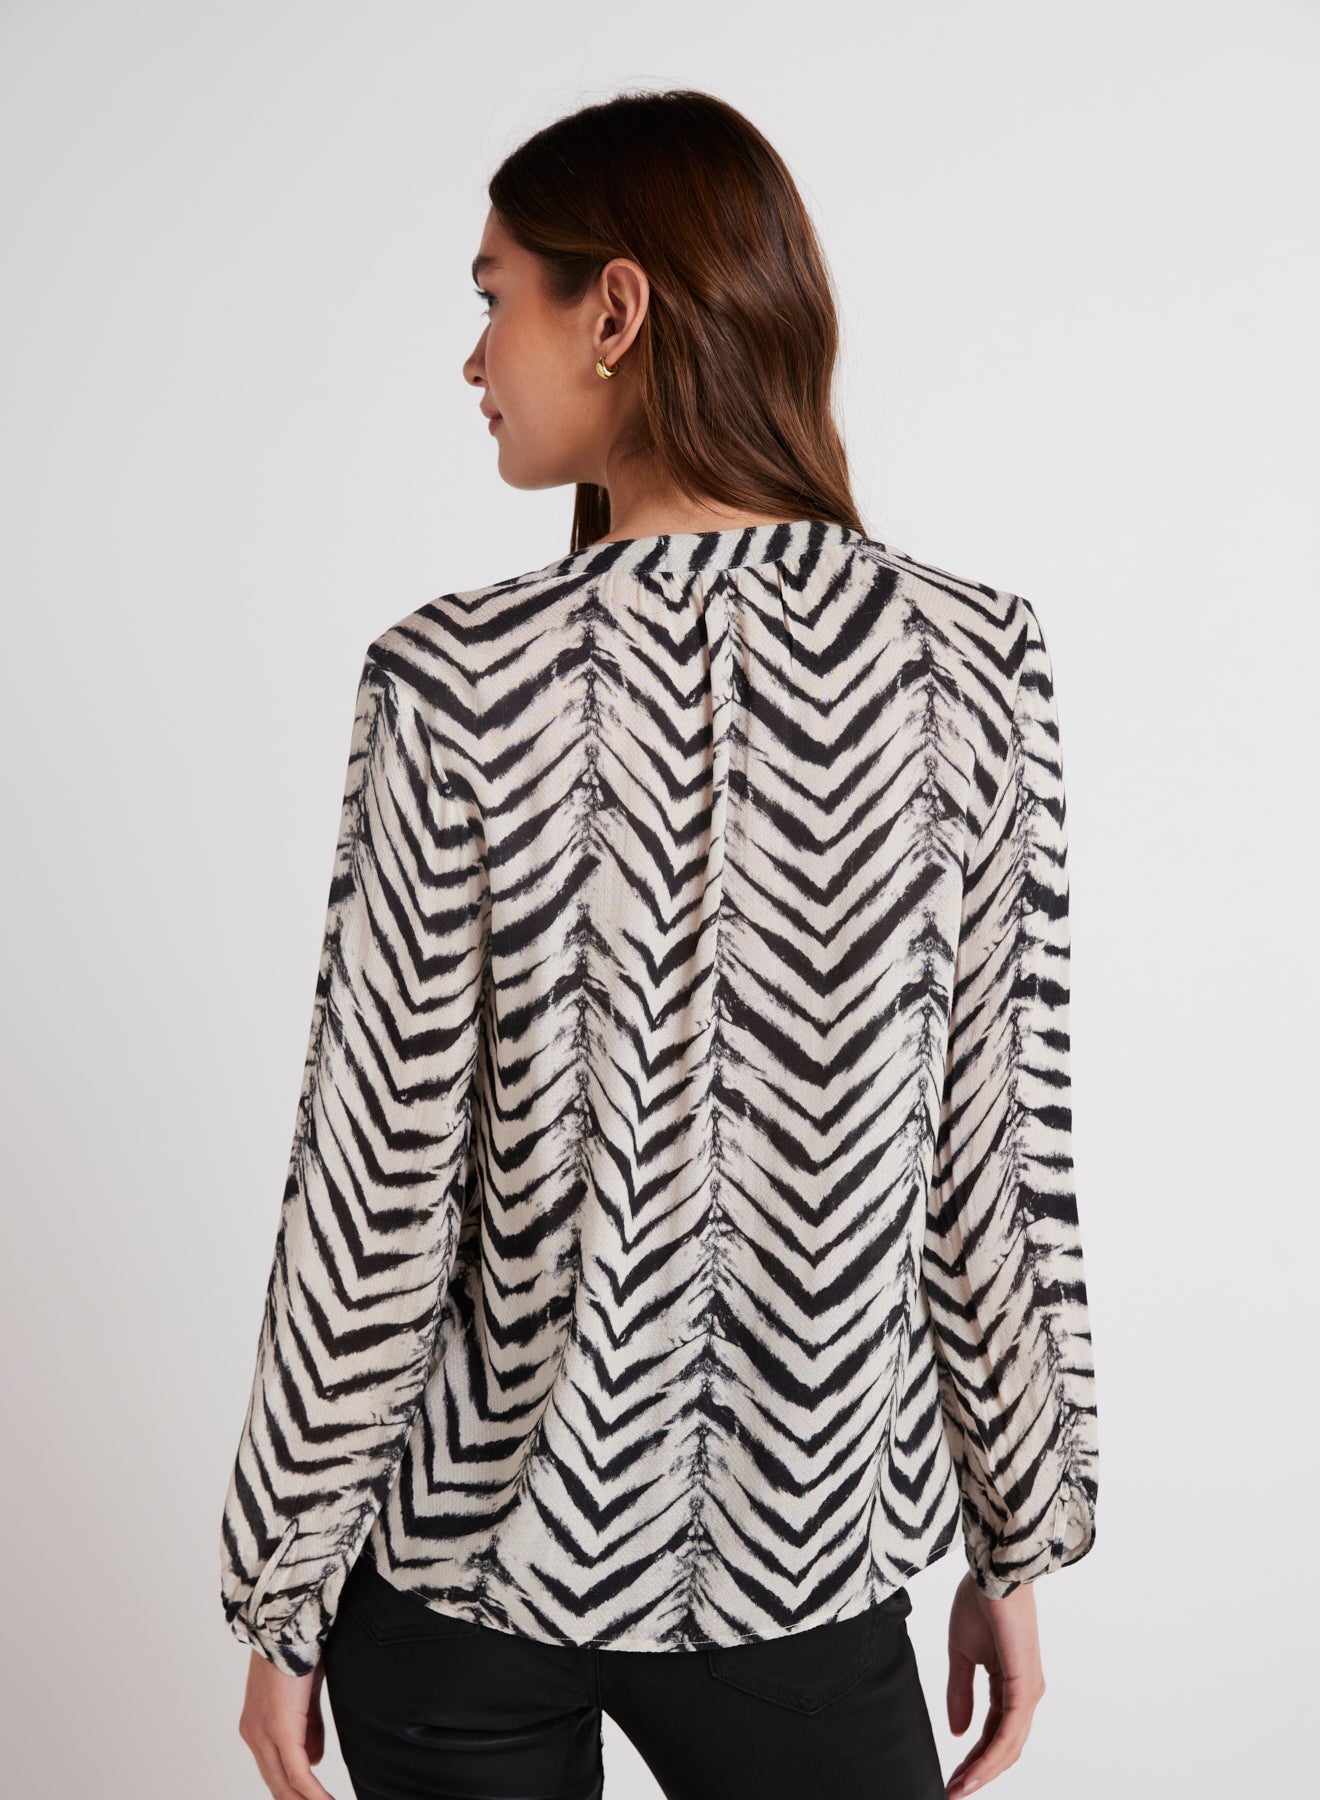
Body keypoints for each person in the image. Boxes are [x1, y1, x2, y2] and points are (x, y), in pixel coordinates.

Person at [220, 87, 1099, 1800]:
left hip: (457, 1578)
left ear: (613, 309)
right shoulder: (970, 664)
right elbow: (994, 1157)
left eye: (494, 298)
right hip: (799, 1566)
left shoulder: (454, 682)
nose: (472, 358)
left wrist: (283, 1591)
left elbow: (377, 1190)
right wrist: (1013, 1540)